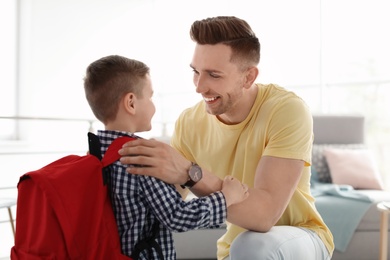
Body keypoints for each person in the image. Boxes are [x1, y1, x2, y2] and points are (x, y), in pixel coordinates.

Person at [118, 16, 334, 260]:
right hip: (236, 250)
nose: (199, 87)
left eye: (214, 75)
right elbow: (169, 204)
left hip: (302, 238)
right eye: (195, 72)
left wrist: (190, 173)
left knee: (254, 246)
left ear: (249, 77)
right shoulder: (189, 122)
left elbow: (265, 216)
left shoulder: (286, 110)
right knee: (246, 247)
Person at [83, 54, 249, 259]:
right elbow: (178, 217)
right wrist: (226, 197)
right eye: (150, 97)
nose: (153, 105)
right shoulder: (140, 158)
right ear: (131, 103)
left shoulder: (95, 154)